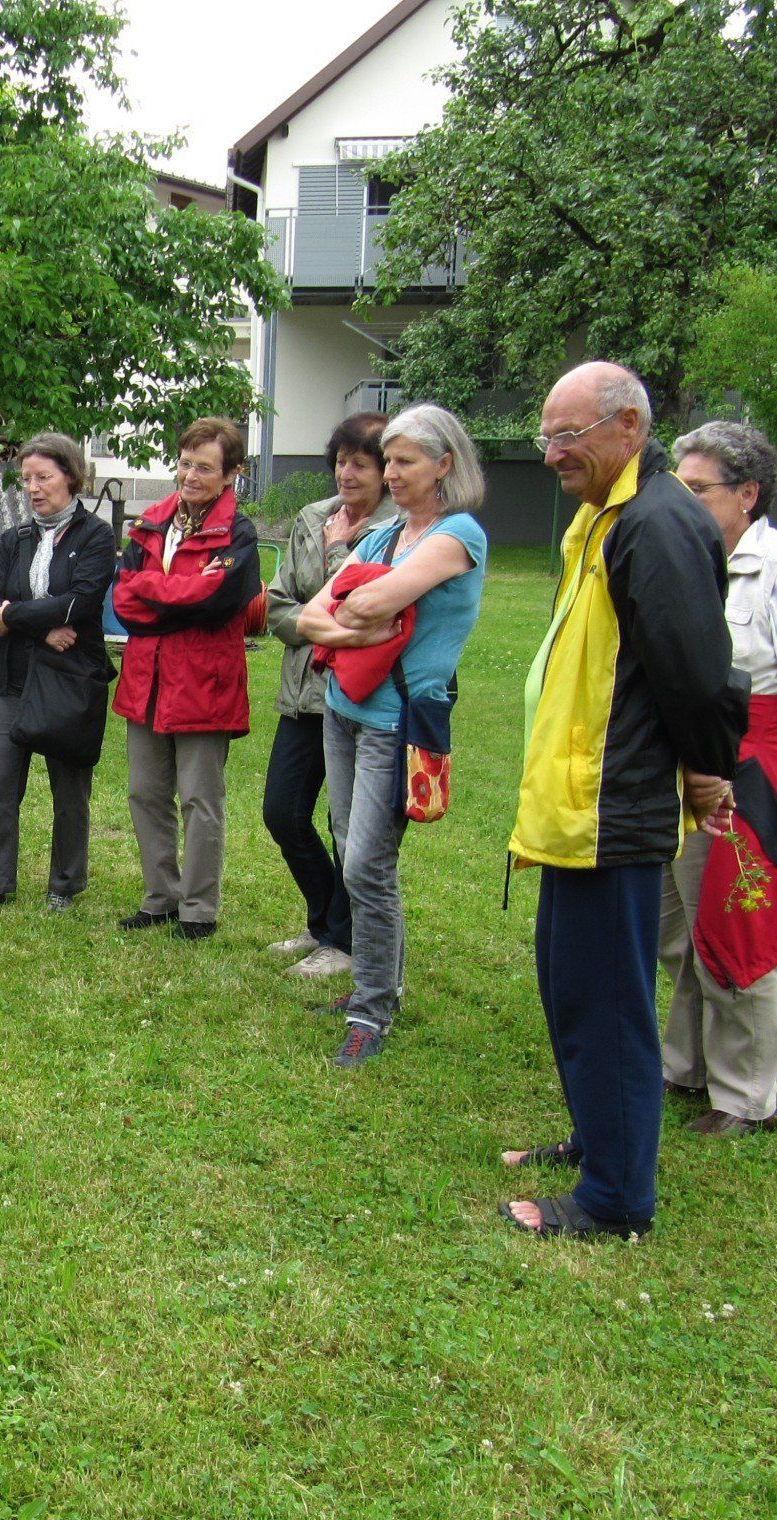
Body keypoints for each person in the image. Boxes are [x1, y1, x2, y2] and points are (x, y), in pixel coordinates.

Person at [501, 363, 748, 1240]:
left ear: (630, 427)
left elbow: (695, 673)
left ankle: (614, 1200)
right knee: (572, 988)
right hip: (575, 806)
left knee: (607, 1002)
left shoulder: (657, 523)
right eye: (547, 437)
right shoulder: (607, 514)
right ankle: (598, 1137)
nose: (555, 453)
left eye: (571, 435)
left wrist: (710, 768)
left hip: (617, 806)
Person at [657, 421, 777, 1136]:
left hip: (750, 770)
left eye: (698, 487)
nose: (684, 498)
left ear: (747, 494)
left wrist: (767, 764)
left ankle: (744, 1098)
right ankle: (685, 1065)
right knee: (679, 929)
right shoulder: (687, 556)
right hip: (687, 762)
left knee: (738, 927)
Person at [295, 405, 488, 1066]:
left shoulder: (459, 535)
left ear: (445, 464)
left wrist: (360, 610)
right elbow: (314, 619)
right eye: (390, 460)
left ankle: (371, 1009)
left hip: (396, 723)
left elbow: (367, 602)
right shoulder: (384, 538)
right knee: (352, 845)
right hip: (345, 708)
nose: (390, 473)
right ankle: (379, 986)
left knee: (365, 864)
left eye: (405, 461)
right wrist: (358, 622)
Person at [111, 417, 262, 940]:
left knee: (200, 800)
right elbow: (123, 602)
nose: (191, 475)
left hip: (204, 684)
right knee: (145, 793)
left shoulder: (238, 533)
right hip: (146, 680)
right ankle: (160, 898)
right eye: (185, 463)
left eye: (205, 467)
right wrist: (178, 593)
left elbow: (220, 601)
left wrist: (156, 592)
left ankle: (198, 909)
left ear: (231, 475)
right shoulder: (151, 522)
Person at [262, 412, 398, 980]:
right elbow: (278, 606)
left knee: (351, 828)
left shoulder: (397, 529)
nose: (346, 473)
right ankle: (323, 920)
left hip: (355, 697)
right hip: (304, 694)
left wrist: (340, 564)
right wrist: (324, 624)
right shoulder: (310, 517)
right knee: (283, 813)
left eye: (359, 464)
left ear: (386, 473)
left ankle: (342, 943)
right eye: (340, 461)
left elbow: (367, 608)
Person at [0, 432, 117, 912]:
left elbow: (81, 602)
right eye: (27, 478)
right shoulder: (14, 538)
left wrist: (16, 617)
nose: (33, 487)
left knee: (69, 790)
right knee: (0, 786)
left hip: (69, 681)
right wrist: (40, 627)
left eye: (43, 477)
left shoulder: (96, 535)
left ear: (70, 477)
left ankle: (64, 887)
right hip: (11, 679)